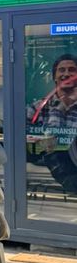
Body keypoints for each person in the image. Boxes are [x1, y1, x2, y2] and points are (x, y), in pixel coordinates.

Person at [29, 53, 77, 192]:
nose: (66, 74)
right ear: (54, 76)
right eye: (61, 70)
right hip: (47, 173)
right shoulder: (38, 108)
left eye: (72, 70)